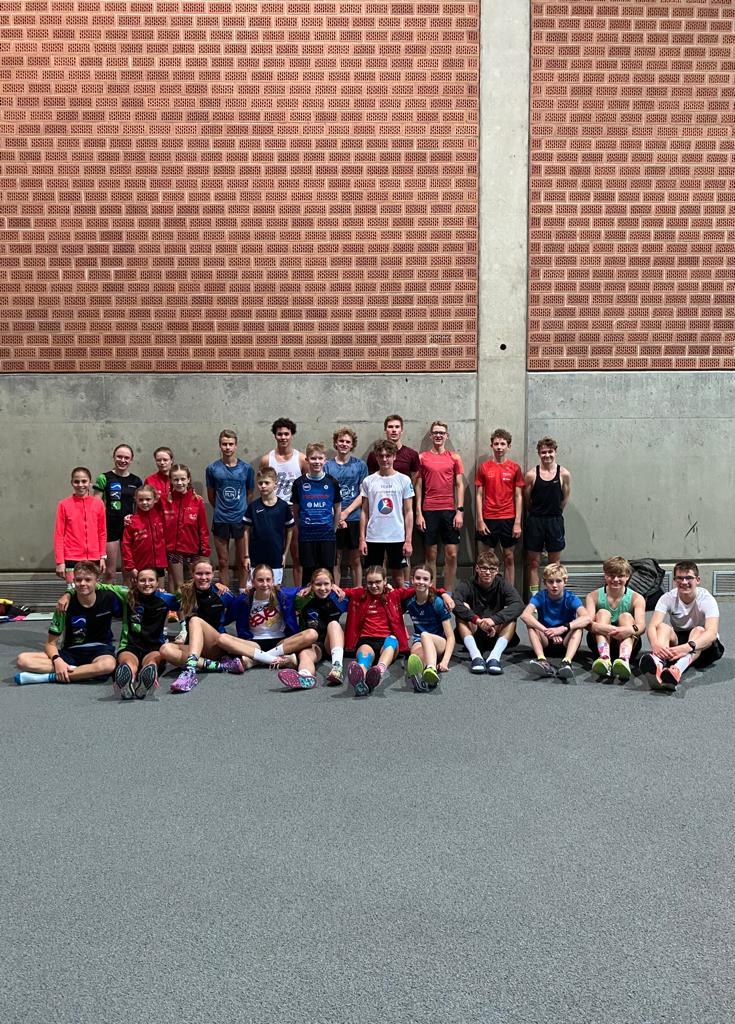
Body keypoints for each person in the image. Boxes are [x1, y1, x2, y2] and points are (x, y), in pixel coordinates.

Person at [167, 564, 318, 693]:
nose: (264, 584)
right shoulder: (242, 600)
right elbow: (226, 619)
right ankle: (271, 660)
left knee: (311, 634)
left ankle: (258, 660)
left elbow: (315, 587)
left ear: (273, 581)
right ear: (253, 581)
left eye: (268, 580)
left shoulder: (285, 594)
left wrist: (314, 588)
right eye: (260, 580)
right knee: (222, 638)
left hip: (281, 642)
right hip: (253, 644)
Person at [53, 567, 179, 700]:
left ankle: (146, 678)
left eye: (151, 580)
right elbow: (97, 585)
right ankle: (127, 678)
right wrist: (68, 593)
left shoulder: (166, 599)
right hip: (129, 645)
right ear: (136, 582)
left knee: (152, 661)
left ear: (158, 582)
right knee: (128, 663)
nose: (147, 584)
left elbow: (184, 602)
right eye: (142, 580)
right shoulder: (127, 594)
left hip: (154, 646)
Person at [15, 561, 119, 685]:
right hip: (71, 653)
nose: (82, 583)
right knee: (22, 660)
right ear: (73, 581)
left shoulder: (109, 598)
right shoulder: (63, 605)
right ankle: (85, 672)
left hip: (100, 651)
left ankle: (52, 677)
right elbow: (50, 643)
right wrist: (57, 660)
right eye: (78, 580)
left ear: (97, 581)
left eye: (88, 580)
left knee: (108, 665)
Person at [159, 559, 245, 688]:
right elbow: (164, 601)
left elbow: (238, 610)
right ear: (192, 574)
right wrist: (156, 591)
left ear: (213, 574)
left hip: (215, 646)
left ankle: (190, 672)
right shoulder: (184, 593)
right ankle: (220, 666)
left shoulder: (222, 593)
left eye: (207, 573)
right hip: (194, 647)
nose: (203, 577)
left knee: (195, 620)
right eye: (199, 573)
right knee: (165, 650)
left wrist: (250, 591)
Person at [640, 560, 723, 692]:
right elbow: (652, 626)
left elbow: (712, 633)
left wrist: (687, 647)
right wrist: (655, 644)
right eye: (680, 578)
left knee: (698, 630)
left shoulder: (706, 599)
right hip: (680, 643)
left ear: (697, 580)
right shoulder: (667, 598)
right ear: (674, 580)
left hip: (704, 647)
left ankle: (677, 669)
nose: (684, 582)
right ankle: (658, 663)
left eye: (689, 578)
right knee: (662, 627)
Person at [349, 439, 414, 588]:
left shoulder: (404, 480)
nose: (384, 459)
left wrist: (408, 540)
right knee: (373, 576)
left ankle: (400, 604)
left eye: (388, 456)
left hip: (397, 536)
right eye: (381, 456)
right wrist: (362, 539)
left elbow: (408, 511)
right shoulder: (368, 481)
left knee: (399, 577)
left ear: (394, 456)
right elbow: (364, 511)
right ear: (376, 457)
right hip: (374, 536)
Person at [342, 565, 411, 697]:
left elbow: (419, 589)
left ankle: (379, 671)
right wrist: (310, 588)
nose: (373, 586)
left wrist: (443, 593)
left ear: (385, 581)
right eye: (370, 583)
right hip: (366, 640)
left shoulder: (393, 594)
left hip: (387, 641)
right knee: (364, 659)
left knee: (392, 641)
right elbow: (335, 590)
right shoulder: (359, 594)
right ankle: (360, 679)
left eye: (378, 582)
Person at [366, 414, 420, 582]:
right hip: (378, 522)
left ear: (402, 430)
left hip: (399, 516)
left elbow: (414, 481)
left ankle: (404, 593)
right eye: (390, 427)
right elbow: (371, 489)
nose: (394, 430)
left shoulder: (411, 454)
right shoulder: (373, 459)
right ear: (385, 430)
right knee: (376, 567)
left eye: (397, 427)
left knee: (400, 567)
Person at [453, 552, 524, 675]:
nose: (488, 572)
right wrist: (477, 620)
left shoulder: (502, 584)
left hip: (496, 631)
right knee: (462, 608)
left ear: (497, 571)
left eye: (492, 569)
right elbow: (454, 602)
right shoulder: (467, 584)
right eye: (484, 568)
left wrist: (493, 620)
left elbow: (519, 604)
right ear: (477, 568)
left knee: (511, 616)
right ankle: (476, 656)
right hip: (474, 631)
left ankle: (494, 657)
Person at [277, 568, 348, 689]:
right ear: (312, 585)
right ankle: (304, 676)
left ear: (332, 584)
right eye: (318, 584)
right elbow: (281, 592)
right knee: (304, 654)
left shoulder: (339, 598)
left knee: (333, 624)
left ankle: (337, 668)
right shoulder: (302, 599)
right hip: (314, 644)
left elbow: (361, 592)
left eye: (326, 584)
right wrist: (305, 588)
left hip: (332, 642)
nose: (323, 588)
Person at [415, 420, 464, 592]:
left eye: (441, 433)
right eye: (435, 432)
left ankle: (448, 593)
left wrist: (460, 511)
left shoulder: (454, 457)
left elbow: (460, 485)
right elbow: (418, 486)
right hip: (429, 511)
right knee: (431, 555)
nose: (438, 435)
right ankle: (432, 594)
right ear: (431, 435)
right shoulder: (422, 458)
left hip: (449, 511)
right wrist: (418, 513)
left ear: (446, 436)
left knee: (452, 554)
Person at [520, 562, 589, 681]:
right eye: (550, 582)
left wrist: (562, 628)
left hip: (565, 641)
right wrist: (547, 631)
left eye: (558, 581)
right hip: (546, 638)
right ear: (545, 583)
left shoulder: (571, 597)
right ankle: (542, 660)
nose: (554, 585)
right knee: (530, 625)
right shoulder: (540, 596)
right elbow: (525, 615)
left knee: (578, 627)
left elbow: (587, 618)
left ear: (565, 582)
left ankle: (567, 661)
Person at [206, 429, 254, 591]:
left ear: (236, 445)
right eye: (224, 444)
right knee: (223, 561)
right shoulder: (212, 469)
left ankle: (242, 594)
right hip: (221, 518)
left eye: (231, 444)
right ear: (220, 445)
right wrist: (223, 508)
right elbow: (211, 496)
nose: (227, 447)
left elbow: (250, 493)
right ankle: (225, 595)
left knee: (242, 561)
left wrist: (240, 509)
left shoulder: (246, 468)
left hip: (240, 519)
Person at [260, 417, 307, 585]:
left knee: (297, 555)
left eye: (286, 434)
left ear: (291, 435)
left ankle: (299, 592)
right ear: (275, 435)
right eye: (280, 434)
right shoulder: (267, 460)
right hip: (273, 511)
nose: (283, 437)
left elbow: (307, 487)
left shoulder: (301, 459)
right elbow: (262, 485)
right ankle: (272, 590)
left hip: (294, 510)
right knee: (273, 554)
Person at [474, 428, 524, 585]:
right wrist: (480, 520)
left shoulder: (515, 468)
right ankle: (487, 592)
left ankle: (509, 593)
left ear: (509, 446)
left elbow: (518, 496)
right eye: (496, 444)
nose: (499, 447)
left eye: (503, 444)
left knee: (509, 557)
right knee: (486, 560)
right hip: (488, 518)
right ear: (491, 445)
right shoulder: (484, 467)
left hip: (508, 518)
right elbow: (479, 495)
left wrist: (517, 522)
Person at [584, 556, 645, 682]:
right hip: (600, 642)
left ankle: (624, 659)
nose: (616, 580)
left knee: (626, 616)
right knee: (602, 613)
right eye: (611, 576)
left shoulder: (637, 598)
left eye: (620, 576)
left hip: (627, 644)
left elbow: (641, 626)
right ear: (605, 575)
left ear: (627, 576)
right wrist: (608, 629)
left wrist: (627, 630)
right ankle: (604, 658)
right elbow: (587, 624)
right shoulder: (592, 596)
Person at [523, 437, 572, 592]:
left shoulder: (564, 474)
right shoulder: (531, 475)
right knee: (533, 563)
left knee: (554, 564)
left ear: (555, 452)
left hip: (555, 521)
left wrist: (554, 513)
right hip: (535, 521)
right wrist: (537, 514)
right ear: (539, 453)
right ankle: (535, 597)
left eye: (550, 452)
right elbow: (527, 501)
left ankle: (553, 596)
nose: (547, 455)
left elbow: (564, 499)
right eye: (543, 452)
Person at [291, 442, 341, 583]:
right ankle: (308, 598)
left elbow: (337, 508)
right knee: (308, 574)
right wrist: (301, 528)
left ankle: (327, 597)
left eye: (320, 458)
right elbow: (295, 510)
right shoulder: (299, 483)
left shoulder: (332, 482)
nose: (316, 462)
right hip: (306, 536)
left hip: (327, 535)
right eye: (313, 458)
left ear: (325, 460)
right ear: (307, 460)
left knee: (327, 572)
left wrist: (333, 528)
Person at [326, 426, 368, 588]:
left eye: (347, 442)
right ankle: (335, 591)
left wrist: (346, 512)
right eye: (341, 441)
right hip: (333, 518)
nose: (344, 444)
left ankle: (358, 591)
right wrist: (337, 515)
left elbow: (363, 493)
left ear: (352, 445)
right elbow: (326, 494)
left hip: (354, 517)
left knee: (355, 558)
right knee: (335, 558)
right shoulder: (327, 466)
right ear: (336, 443)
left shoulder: (360, 465)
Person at [94, 443, 143, 583]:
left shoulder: (136, 481)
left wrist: (135, 519)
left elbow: (140, 507)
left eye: (126, 458)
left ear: (131, 460)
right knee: (109, 572)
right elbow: (96, 506)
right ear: (113, 457)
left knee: (129, 571)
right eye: (119, 457)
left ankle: (128, 597)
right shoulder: (104, 478)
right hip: (110, 528)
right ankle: (108, 597)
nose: (123, 460)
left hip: (129, 528)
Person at [402, 564, 455, 692]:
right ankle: (423, 678)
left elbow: (451, 637)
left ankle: (431, 668)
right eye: (418, 578)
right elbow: (397, 615)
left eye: (425, 579)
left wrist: (445, 661)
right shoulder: (409, 602)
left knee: (425, 635)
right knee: (415, 656)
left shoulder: (437, 602)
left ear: (431, 583)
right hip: (418, 640)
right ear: (412, 580)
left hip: (439, 642)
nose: (421, 582)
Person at [163, 463, 211, 593]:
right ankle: (180, 607)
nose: (179, 483)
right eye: (176, 479)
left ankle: (193, 607)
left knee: (193, 585)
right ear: (171, 480)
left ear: (188, 479)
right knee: (179, 586)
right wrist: (130, 518)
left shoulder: (198, 501)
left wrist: (204, 551)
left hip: (192, 550)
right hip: (173, 551)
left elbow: (203, 529)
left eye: (183, 479)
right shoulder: (164, 501)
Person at [53, 467, 107, 583]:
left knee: (91, 591)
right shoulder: (63, 504)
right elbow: (59, 534)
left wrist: (102, 556)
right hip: (71, 557)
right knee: (73, 591)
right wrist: (60, 562)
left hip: (94, 558)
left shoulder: (98, 504)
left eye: (84, 481)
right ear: (72, 482)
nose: (80, 485)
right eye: (76, 481)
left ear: (90, 482)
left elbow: (102, 532)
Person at [243, 467, 295, 585]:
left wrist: (285, 554)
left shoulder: (283, 506)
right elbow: (246, 530)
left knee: (274, 589)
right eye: (260, 483)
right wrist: (246, 556)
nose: (263, 486)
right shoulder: (253, 506)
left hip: (276, 556)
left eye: (267, 483)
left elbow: (290, 530)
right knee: (254, 589)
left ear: (275, 484)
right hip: (255, 557)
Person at [121, 484, 168, 578]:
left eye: (148, 499)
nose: (144, 502)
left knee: (159, 587)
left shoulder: (161, 517)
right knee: (140, 587)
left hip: (159, 565)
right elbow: (126, 545)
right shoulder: (131, 521)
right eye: (141, 500)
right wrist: (130, 566)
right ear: (135, 500)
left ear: (155, 499)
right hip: (139, 565)